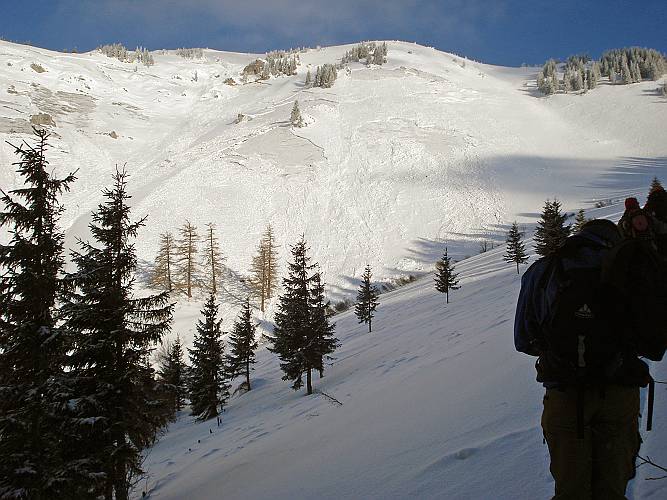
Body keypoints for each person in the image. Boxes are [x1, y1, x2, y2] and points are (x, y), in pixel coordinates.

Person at [514, 218, 666, 499]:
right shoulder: (630, 266)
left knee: (571, 491)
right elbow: (653, 338)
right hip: (619, 393)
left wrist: (564, 350)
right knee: (612, 488)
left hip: (565, 394)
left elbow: (523, 339)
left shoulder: (547, 268)